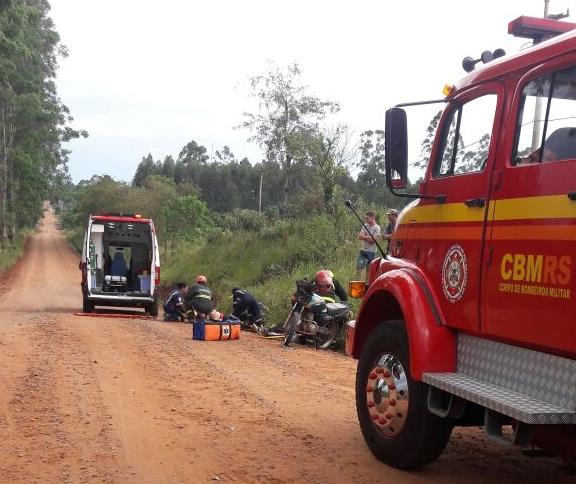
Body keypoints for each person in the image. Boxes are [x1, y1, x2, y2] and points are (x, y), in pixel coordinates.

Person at [355, 210, 381, 280]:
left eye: (367, 218)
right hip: (363, 250)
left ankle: (367, 284)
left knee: (369, 270)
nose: (366, 220)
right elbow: (360, 236)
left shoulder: (377, 228)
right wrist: (370, 237)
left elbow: (373, 241)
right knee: (359, 266)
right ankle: (359, 282)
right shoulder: (365, 225)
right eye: (365, 218)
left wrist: (365, 237)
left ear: (372, 218)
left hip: (371, 252)